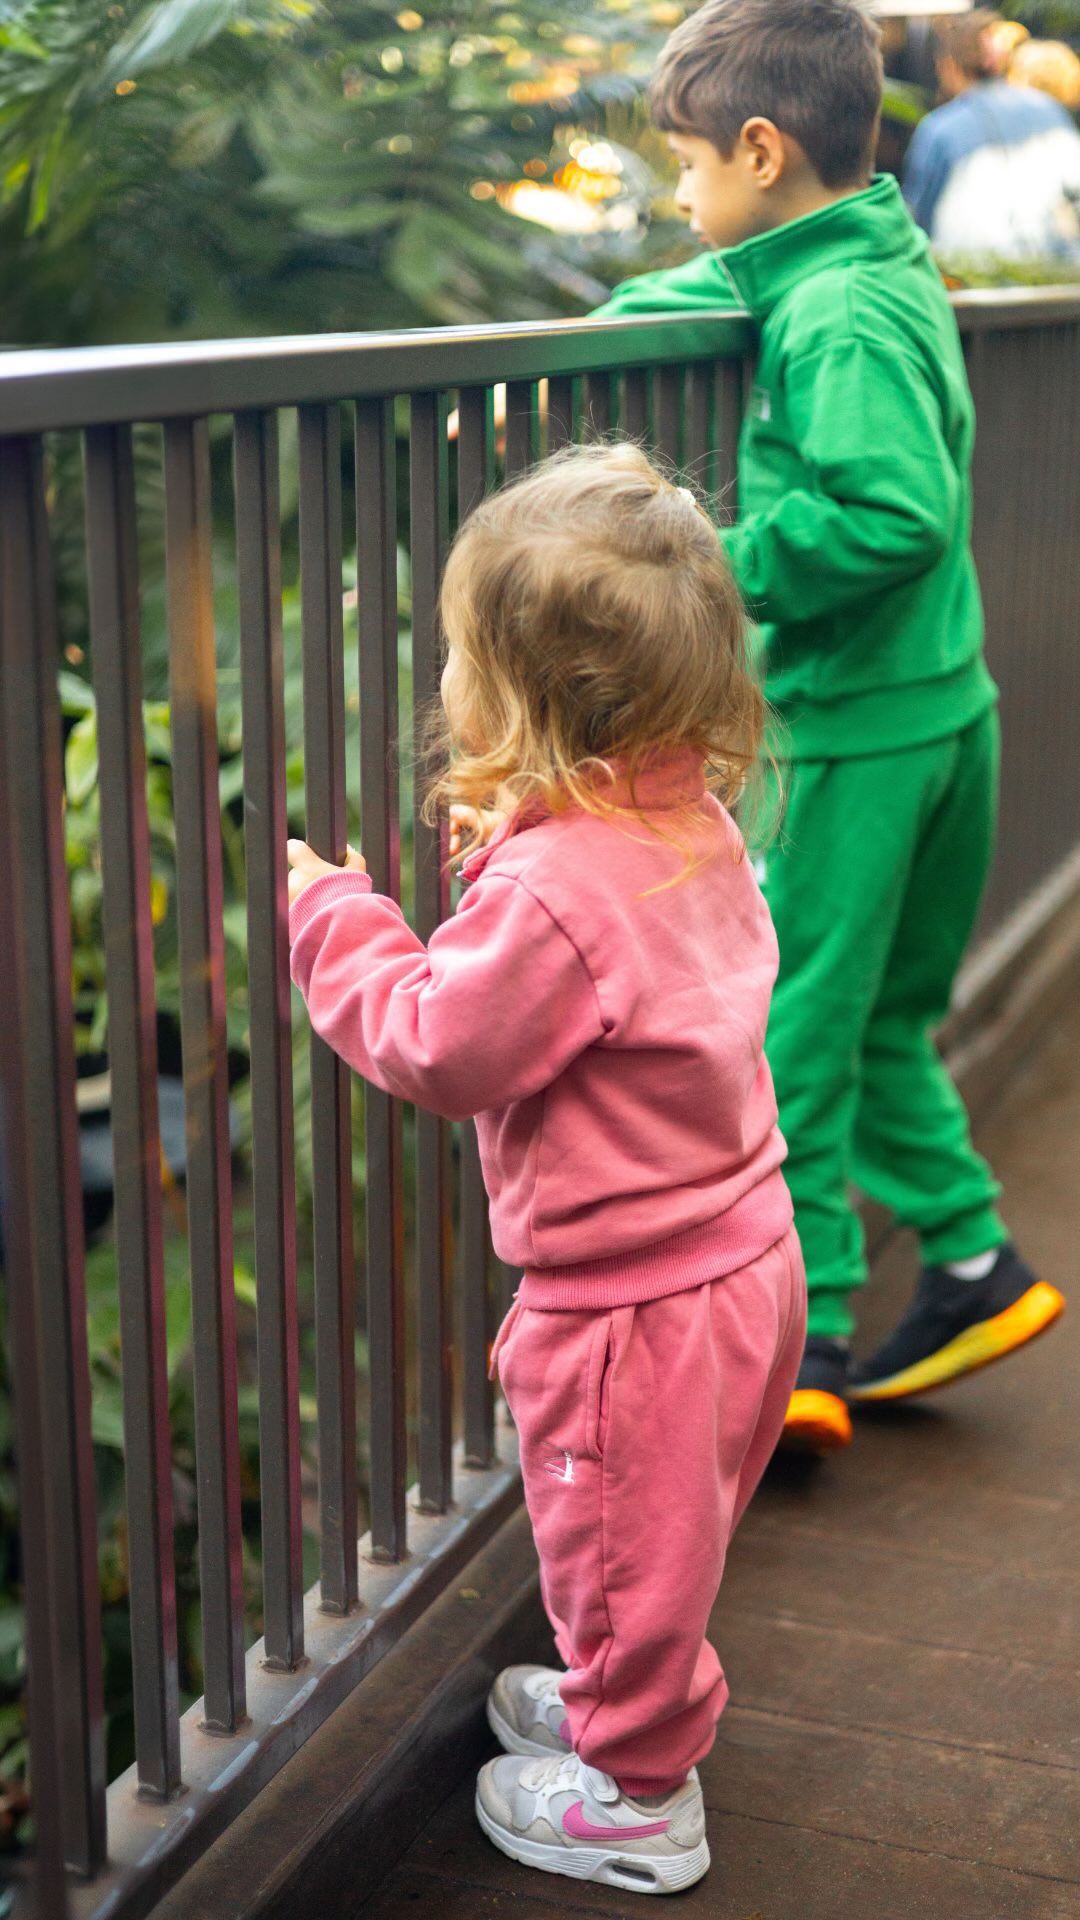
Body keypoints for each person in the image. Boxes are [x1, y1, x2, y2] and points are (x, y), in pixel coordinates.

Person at [288, 443, 806, 1897]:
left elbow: (442, 1044)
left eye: (455, 654)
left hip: (628, 1310)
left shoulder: (550, 887)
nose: (442, 677)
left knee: (616, 1547)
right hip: (745, 1255)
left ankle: (639, 1793)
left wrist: (334, 915)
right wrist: (513, 857)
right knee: (662, 1535)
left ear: (518, 698)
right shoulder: (680, 821)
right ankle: (622, 1705)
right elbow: (591, 975)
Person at [589, 0, 1065, 1454]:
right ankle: (975, 1262)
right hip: (941, 710)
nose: (678, 196)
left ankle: (807, 1347)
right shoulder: (862, 255)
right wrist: (609, 323)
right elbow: (746, 286)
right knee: (890, 1021)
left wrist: (700, 565)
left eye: (686, 166)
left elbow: (894, 514)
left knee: (789, 1038)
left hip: (859, 732)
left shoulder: (838, 311)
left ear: (759, 145)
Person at [903, 9, 1080, 262]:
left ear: (948, 65)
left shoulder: (938, 127)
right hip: (1055, 275)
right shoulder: (1049, 110)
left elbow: (916, 218)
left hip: (970, 278)